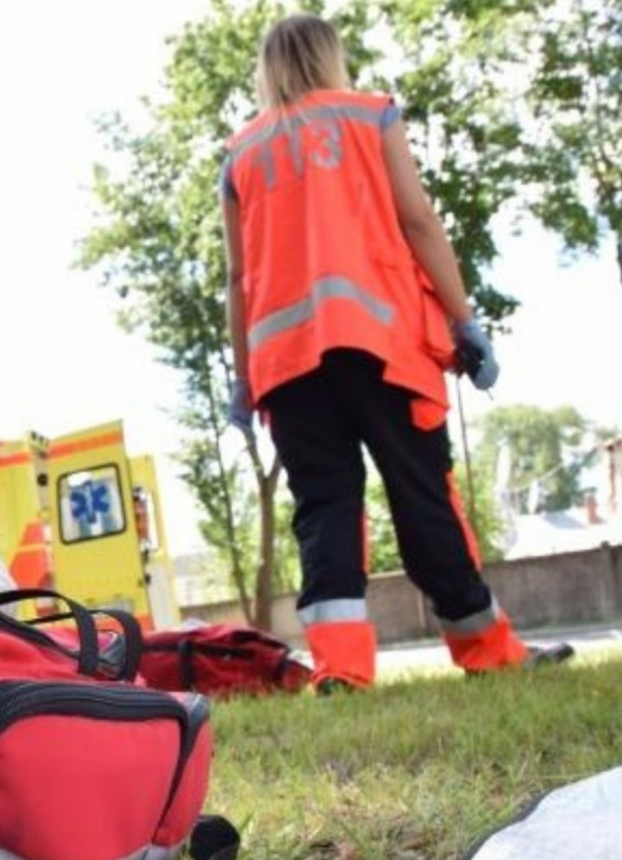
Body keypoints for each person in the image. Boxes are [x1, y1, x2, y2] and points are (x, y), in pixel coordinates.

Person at [219, 14, 572, 692]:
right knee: (422, 497)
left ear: (266, 70)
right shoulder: (370, 116)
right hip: (383, 350)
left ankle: (342, 671)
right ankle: (486, 650)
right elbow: (417, 222)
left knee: (324, 509)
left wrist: (244, 377)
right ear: (330, 57)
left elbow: (238, 279)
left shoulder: (240, 155)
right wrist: (465, 322)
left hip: (289, 366)